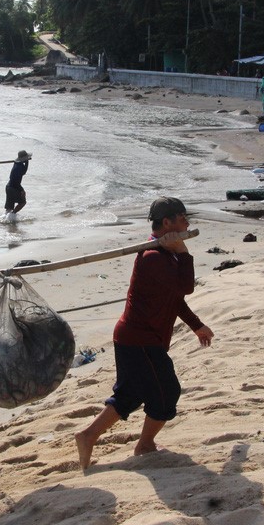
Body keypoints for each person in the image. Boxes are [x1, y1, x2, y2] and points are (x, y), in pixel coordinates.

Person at [75, 197, 214, 470]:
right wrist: (184, 251)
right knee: (166, 392)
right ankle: (145, 445)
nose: (187, 222)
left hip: (138, 338)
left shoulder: (165, 253)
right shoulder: (153, 257)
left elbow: (175, 299)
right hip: (139, 339)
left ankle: (88, 435)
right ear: (167, 223)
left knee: (130, 394)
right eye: (182, 217)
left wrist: (196, 325)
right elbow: (186, 287)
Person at [4, 150, 31, 219]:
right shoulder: (18, 167)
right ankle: (12, 215)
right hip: (13, 187)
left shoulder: (17, 164)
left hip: (9, 187)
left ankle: (6, 219)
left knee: (9, 207)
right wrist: (22, 190)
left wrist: (27, 161)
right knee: (22, 202)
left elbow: (24, 172)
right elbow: (15, 181)